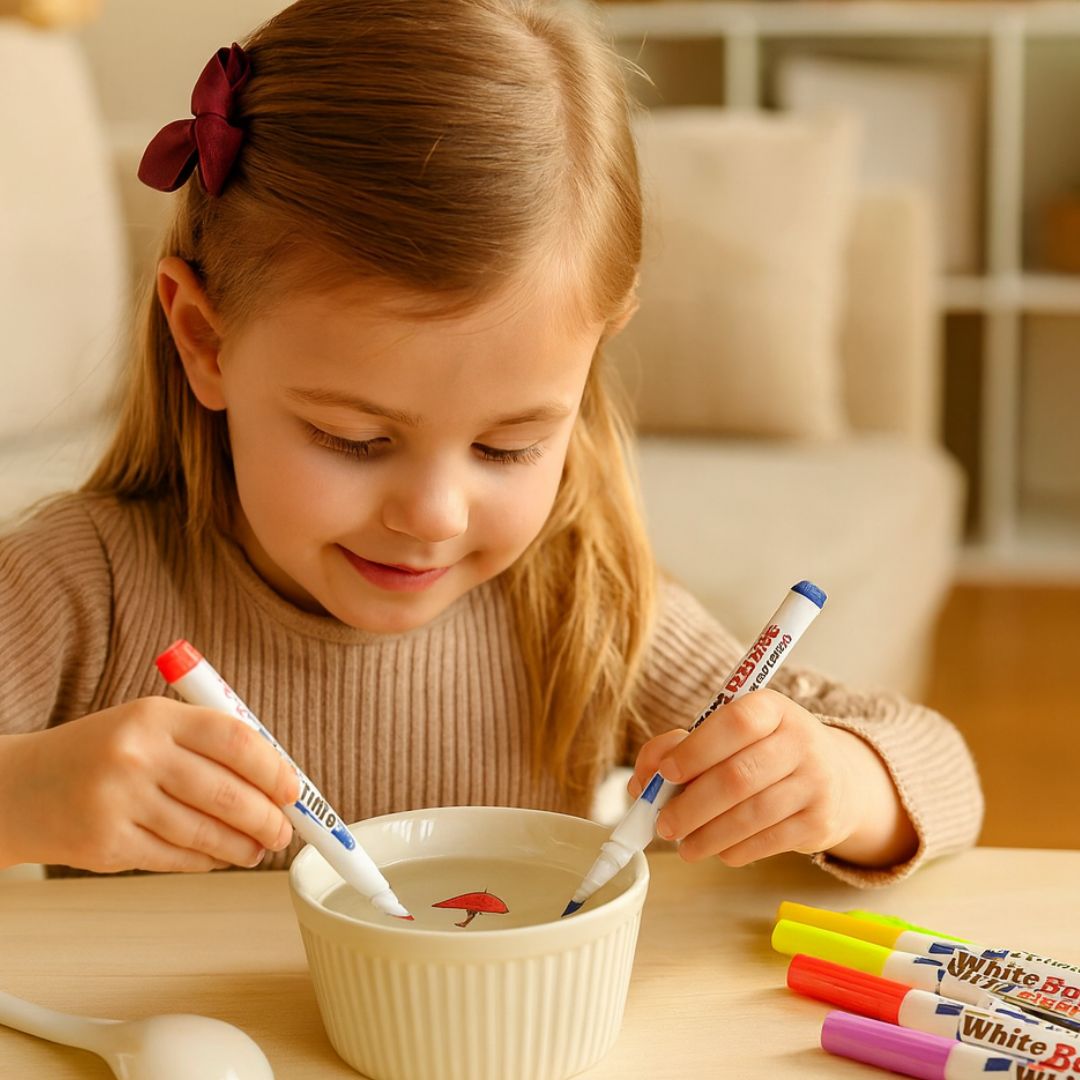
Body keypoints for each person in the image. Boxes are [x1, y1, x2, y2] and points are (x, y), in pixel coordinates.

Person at [0, 0, 981, 886]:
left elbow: (939, 769)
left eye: (508, 448)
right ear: (205, 341)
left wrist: (837, 783)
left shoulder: (580, 608)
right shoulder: (87, 589)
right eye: (353, 438)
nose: (432, 515)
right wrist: (25, 797)